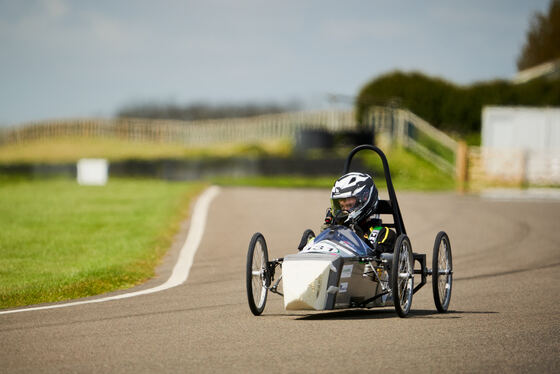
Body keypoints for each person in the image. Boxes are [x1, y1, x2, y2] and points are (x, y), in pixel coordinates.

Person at [322, 172, 395, 254]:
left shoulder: (383, 234)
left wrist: (357, 237)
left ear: (365, 199)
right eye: (341, 206)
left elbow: (378, 257)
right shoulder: (334, 232)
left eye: (349, 205)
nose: (344, 210)